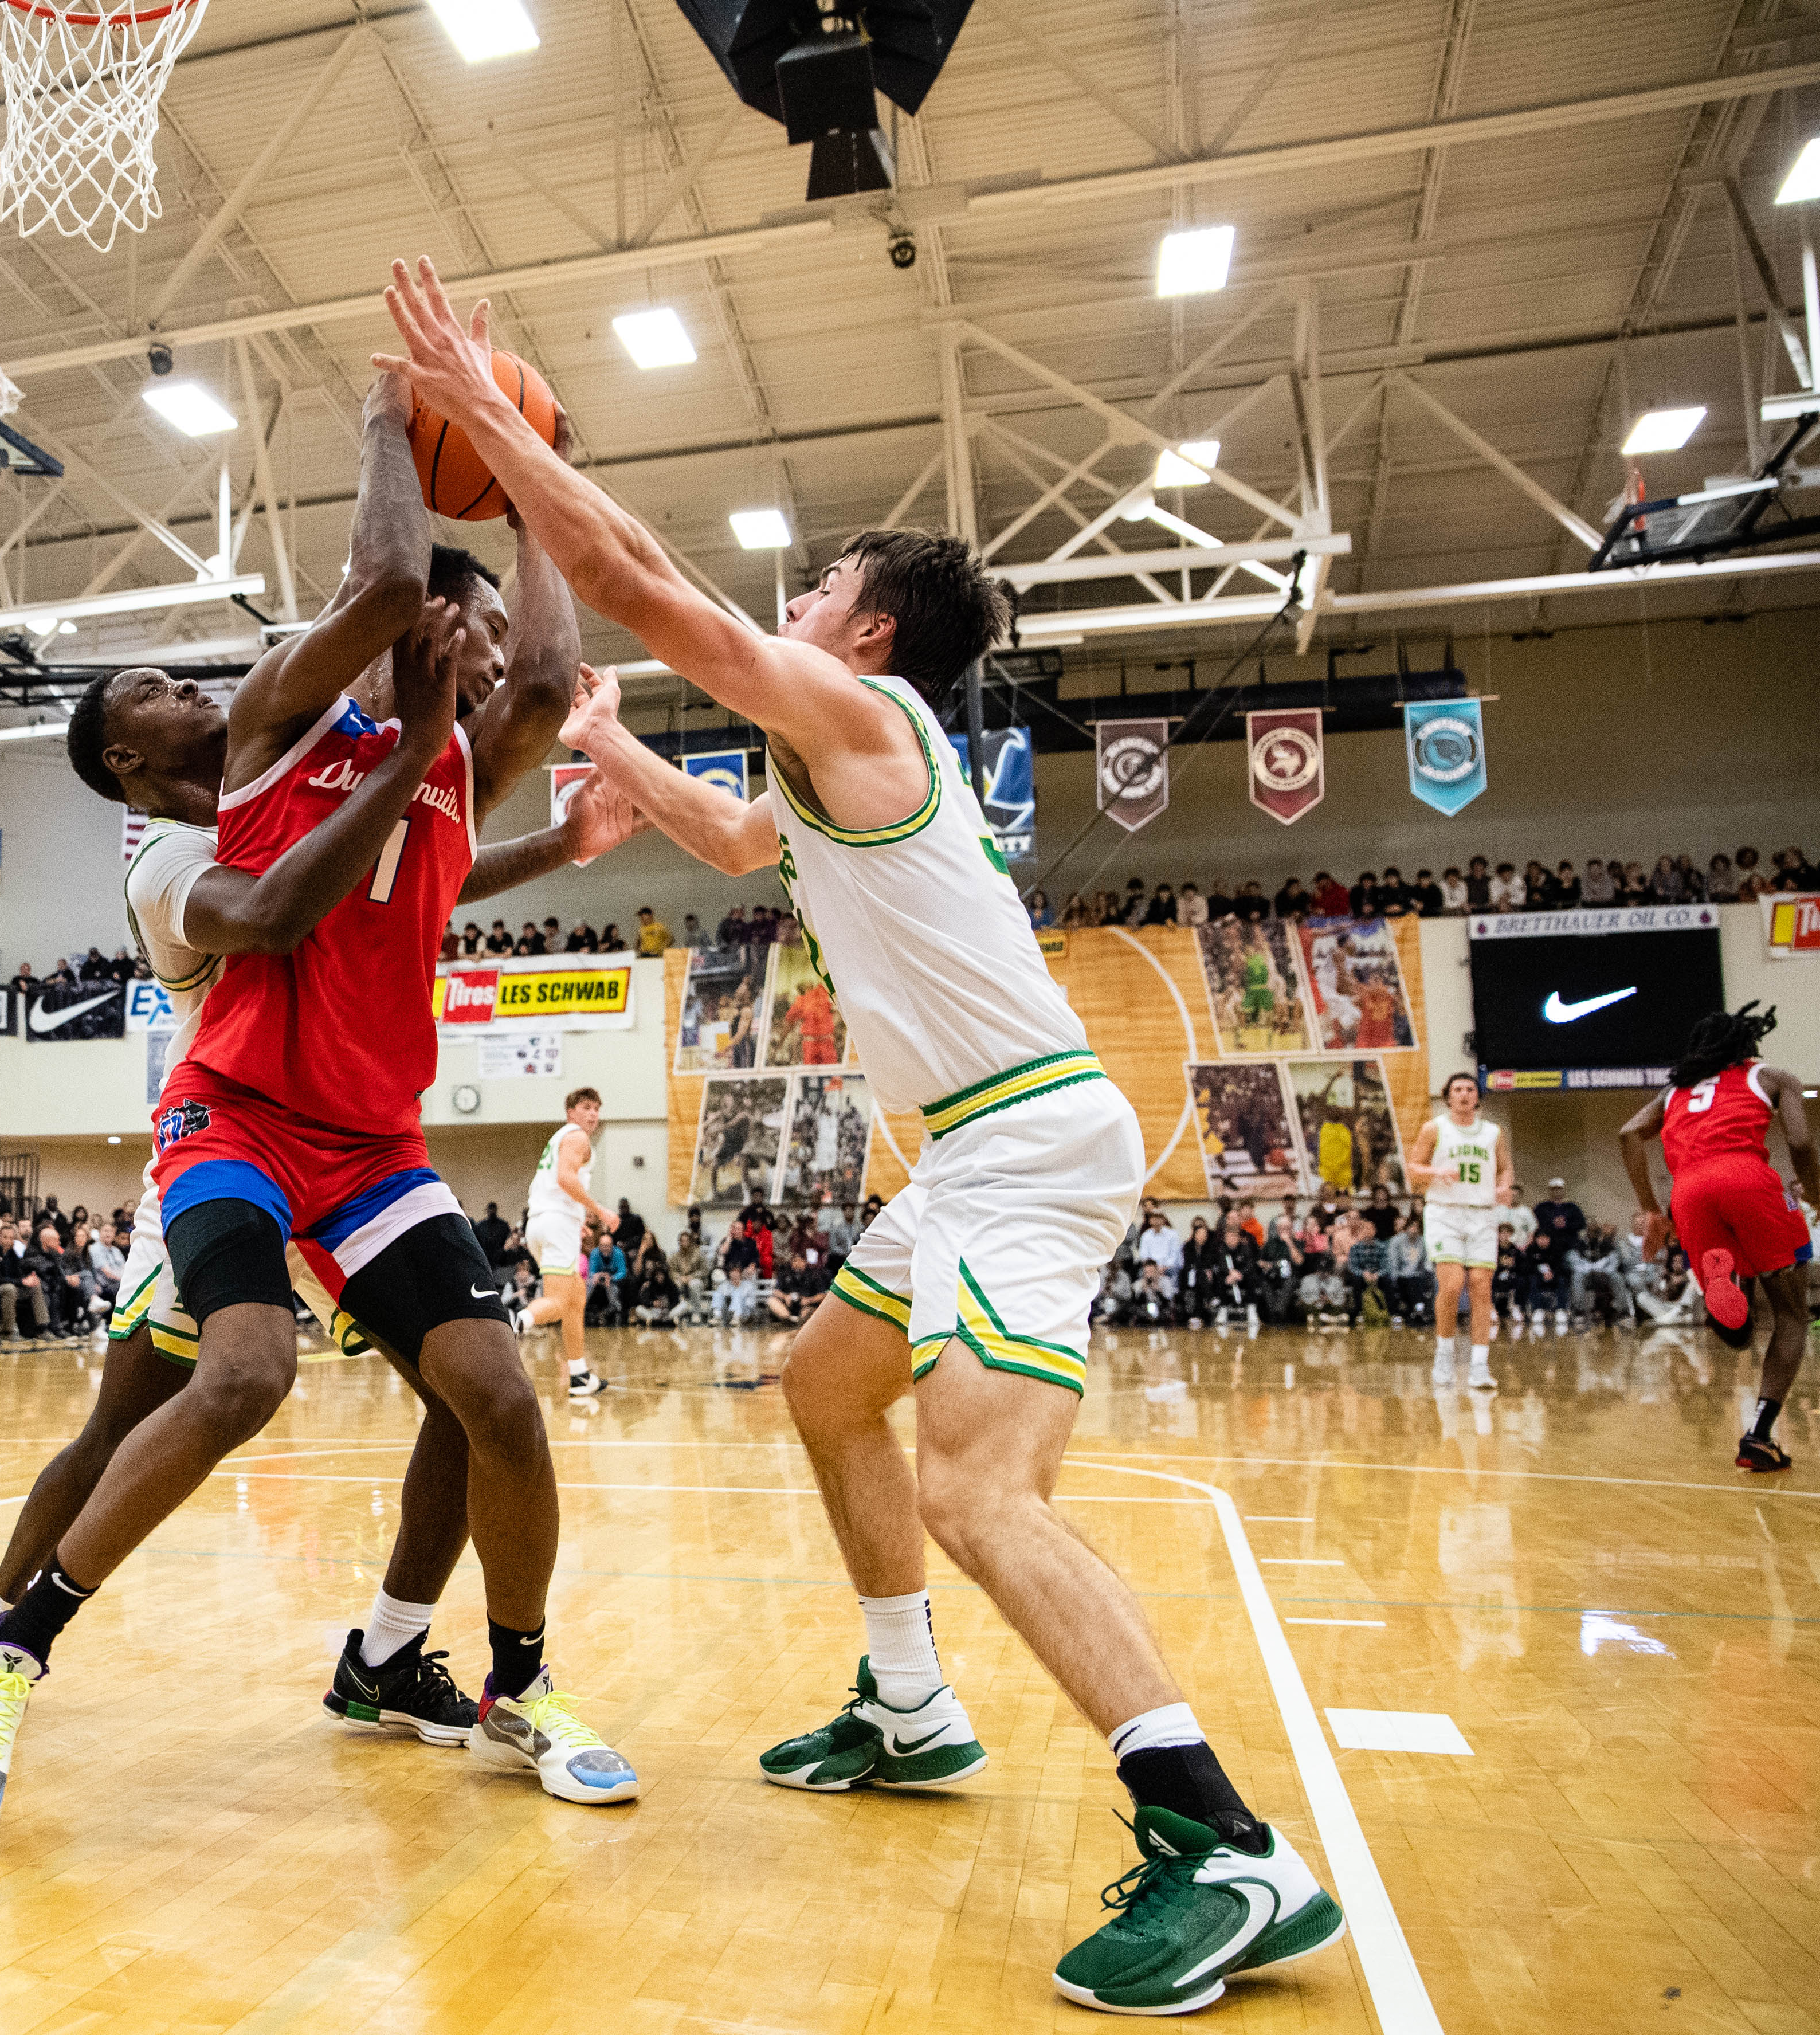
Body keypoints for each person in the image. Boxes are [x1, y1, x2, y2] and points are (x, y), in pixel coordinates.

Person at [376, 257, 1337, 2014]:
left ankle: (1220, 1841)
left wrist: (499, 432)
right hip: (969, 1149)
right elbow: (743, 849)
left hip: (1025, 1142)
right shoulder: (844, 760)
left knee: (976, 1486)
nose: (794, 598)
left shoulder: (865, 712)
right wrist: (615, 754)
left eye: (818, 586)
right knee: (826, 1388)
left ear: (869, 633)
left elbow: (633, 578)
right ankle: (906, 1699)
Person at [0, 365, 643, 1828]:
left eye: (488, 634)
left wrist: (539, 471)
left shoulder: (448, 766)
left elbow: (544, 706)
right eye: (467, 629)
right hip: (232, 1118)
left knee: (495, 1395)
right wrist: (389, 414)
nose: (489, 652)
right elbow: (377, 590)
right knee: (233, 1377)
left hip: (372, 1139)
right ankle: (11, 1641)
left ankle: (507, 1676)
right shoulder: (256, 747)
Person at [1620, 1002, 1819, 1472]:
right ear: (1749, 1043)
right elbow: (1800, 1143)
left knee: (1737, 1331)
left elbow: (1628, 1133)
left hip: (1688, 1193)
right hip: (1748, 1179)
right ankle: (1758, 1436)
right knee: (1791, 1315)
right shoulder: (1772, 1076)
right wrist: (1815, 1192)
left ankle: (1731, 1296)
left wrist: (1651, 1209)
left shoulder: (1676, 1090)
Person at [1406, 1072, 1511, 1387]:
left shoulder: (1493, 1132)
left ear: (1478, 1097)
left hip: (1482, 1215)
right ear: (1448, 1096)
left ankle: (1480, 1366)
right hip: (1445, 1214)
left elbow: (1505, 1167)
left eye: (1470, 1089)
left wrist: (1504, 1187)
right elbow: (1413, 1168)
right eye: (1458, 1090)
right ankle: (1445, 1354)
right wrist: (1437, 1171)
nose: (1465, 1094)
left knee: (1481, 1286)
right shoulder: (1435, 1128)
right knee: (1451, 1285)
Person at [517, 1087, 609, 1397]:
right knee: (558, 1302)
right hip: (556, 1226)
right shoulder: (577, 1137)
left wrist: (577, 1219)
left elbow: (554, 1187)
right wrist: (599, 1212)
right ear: (571, 1112)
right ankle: (511, 1324)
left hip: (543, 1223)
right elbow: (565, 1179)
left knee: (575, 1298)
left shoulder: (559, 1138)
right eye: (586, 1107)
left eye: (597, 1108)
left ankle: (579, 1375)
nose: (593, 1114)